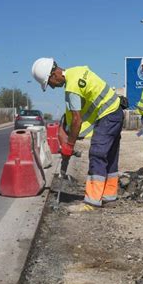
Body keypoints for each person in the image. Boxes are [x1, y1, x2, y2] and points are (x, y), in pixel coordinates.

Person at [32, 58, 123, 210]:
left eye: (50, 83)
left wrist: (69, 145)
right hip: (116, 111)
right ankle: (109, 196)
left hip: (107, 115)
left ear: (53, 74)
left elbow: (76, 120)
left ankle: (92, 202)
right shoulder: (77, 71)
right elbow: (80, 109)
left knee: (97, 154)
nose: (52, 87)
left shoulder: (72, 88)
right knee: (111, 155)